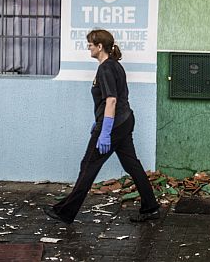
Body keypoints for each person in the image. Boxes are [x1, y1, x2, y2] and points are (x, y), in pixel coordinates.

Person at [44, 29, 160, 224]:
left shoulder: (105, 68)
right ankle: (151, 207)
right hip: (124, 121)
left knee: (88, 165)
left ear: (100, 47)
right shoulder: (115, 66)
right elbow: (115, 99)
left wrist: (104, 131)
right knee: (132, 164)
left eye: (90, 44)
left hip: (114, 125)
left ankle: (65, 212)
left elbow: (112, 100)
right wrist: (98, 120)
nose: (88, 47)